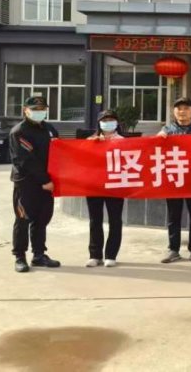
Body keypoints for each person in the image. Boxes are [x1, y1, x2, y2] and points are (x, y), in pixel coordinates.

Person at [9, 95, 60, 273]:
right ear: (25, 110)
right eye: (35, 109)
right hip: (26, 183)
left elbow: (60, 152)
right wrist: (44, 181)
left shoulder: (50, 129)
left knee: (42, 219)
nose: (39, 112)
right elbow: (26, 160)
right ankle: (20, 256)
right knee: (23, 218)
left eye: (42, 109)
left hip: (47, 182)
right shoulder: (19, 131)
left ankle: (39, 254)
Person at [157, 97, 191, 264]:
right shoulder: (167, 129)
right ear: (174, 112)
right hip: (174, 179)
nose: (182, 111)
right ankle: (173, 250)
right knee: (174, 216)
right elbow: (157, 149)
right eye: (179, 108)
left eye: (186, 108)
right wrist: (158, 138)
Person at [85, 110, 125, 268]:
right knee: (95, 220)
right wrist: (91, 145)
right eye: (105, 120)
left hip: (115, 185)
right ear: (99, 123)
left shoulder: (123, 141)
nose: (108, 123)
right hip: (94, 185)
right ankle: (95, 255)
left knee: (115, 220)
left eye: (111, 120)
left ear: (117, 122)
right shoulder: (91, 140)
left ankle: (111, 255)